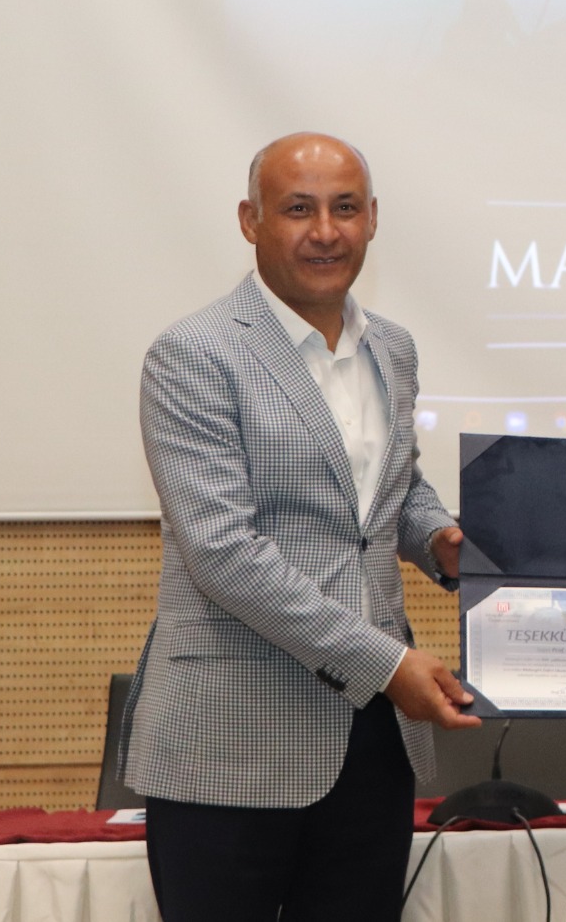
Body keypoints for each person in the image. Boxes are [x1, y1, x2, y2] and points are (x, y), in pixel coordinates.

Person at [118, 132, 480, 922]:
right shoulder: (193, 353)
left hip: (371, 748)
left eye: (345, 208)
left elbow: (387, 492)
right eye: (298, 209)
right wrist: (388, 664)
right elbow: (223, 552)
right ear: (250, 220)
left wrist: (444, 542)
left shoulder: (393, 348)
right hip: (230, 745)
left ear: (372, 218)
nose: (325, 231)